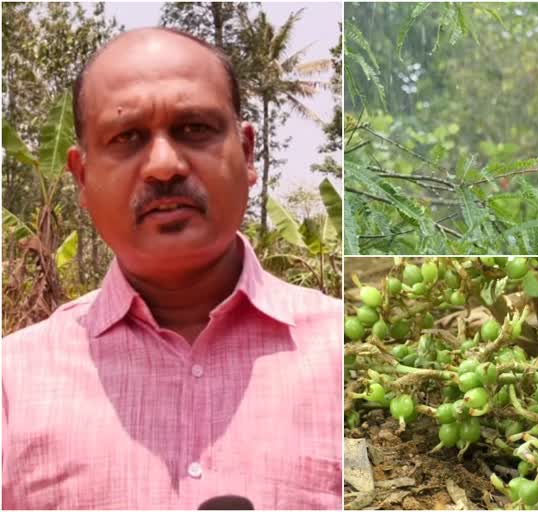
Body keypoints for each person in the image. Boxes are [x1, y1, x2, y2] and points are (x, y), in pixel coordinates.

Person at [2, 27, 342, 510]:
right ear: (82, 176)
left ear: (246, 153)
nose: (164, 165)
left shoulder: (343, 353)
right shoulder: (13, 384)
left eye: (194, 128)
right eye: (127, 137)